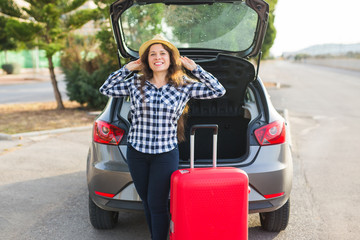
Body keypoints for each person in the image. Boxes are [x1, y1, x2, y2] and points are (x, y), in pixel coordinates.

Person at [99, 35, 226, 240]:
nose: (157, 57)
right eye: (152, 54)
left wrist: (196, 70)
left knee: (157, 203)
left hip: (165, 154)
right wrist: (127, 69)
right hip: (137, 153)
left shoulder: (183, 84)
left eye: (162, 53)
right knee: (147, 202)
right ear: (147, 60)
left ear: (170, 58)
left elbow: (218, 90)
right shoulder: (135, 83)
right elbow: (106, 89)